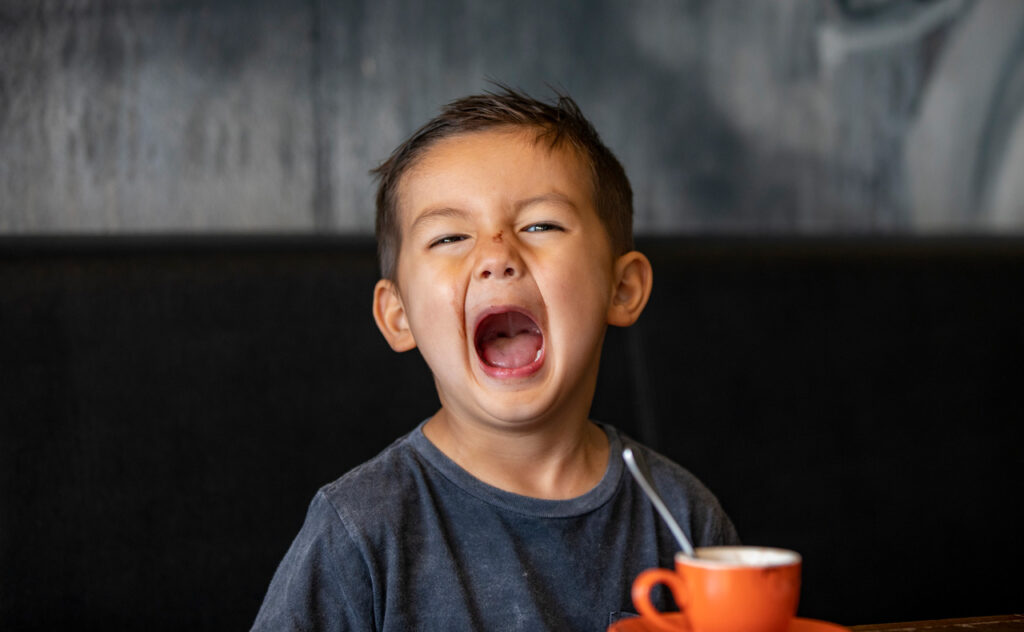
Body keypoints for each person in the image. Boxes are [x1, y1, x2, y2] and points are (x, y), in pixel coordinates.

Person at [251, 86, 739, 631]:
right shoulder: (360, 530)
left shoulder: (682, 516)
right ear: (399, 315)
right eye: (450, 236)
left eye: (540, 225)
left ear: (622, 288)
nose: (496, 256)